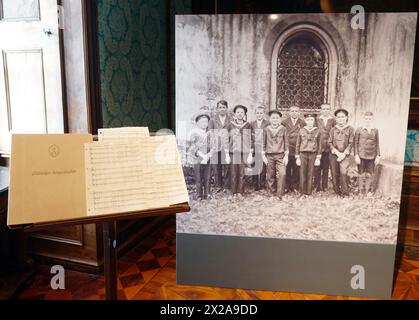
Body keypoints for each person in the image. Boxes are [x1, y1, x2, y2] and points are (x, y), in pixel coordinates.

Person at [224, 105, 253, 197]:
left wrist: (250, 153)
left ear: (244, 114)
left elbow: (251, 139)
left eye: (242, 112)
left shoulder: (248, 125)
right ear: (235, 114)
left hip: (244, 152)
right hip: (233, 152)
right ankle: (233, 192)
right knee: (233, 172)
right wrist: (226, 154)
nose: (240, 114)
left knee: (241, 173)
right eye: (238, 112)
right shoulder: (230, 125)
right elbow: (226, 139)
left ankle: (240, 192)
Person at [262, 110, 289, 199]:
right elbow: (263, 143)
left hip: (280, 155)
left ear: (280, 119)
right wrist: (263, 155)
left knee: (282, 173)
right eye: (273, 118)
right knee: (270, 174)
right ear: (269, 119)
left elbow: (286, 143)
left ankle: (280, 193)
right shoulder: (266, 129)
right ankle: (271, 192)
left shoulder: (283, 129)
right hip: (269, 155)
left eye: (277, 118)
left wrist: (286, 155)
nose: (275, 120)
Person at [328, 108, 355, 197]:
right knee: (334, 172)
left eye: (343, 117)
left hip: (345, 155)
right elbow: (329, 142)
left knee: (343, 172)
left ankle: (345, 192)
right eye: (338, 117)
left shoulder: (350, 129)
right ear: (336, 118)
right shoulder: (333, 129)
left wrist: (344, 153)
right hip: (334, 154)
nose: (340, 119)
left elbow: (351, 143)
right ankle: (337, 191)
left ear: (346, 118)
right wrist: (336, 152)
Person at [188, 113, 214, 200]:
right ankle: (199, 195)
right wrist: (203, 156)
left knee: (207, 177)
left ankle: (207, 194)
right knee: (199, 178)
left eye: (206, 121)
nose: (204, 123)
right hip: (198, 158)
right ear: (197, 123)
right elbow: (192, 147)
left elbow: (214, 146)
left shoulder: (210, 133)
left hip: (208, 158)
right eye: (202, 121)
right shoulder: (194, 133)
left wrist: (208, 156)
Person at [354, 111, 381, 195]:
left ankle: (368, 191)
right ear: (363, 119)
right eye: (366, 119)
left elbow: (377, 143)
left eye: (369, 119)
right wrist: (356, 155)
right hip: (361, 155)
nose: (368, 120)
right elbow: (355, 143)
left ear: (372, 119)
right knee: (361, 173)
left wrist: (378, 155)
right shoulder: (359, 129)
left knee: (370, 173)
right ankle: (360, 191)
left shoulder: (375, 130)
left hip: (372, 155)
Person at [296, 113, 322, 196]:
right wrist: (297, 156)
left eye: (312, 120)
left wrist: (318, 157)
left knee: (311, 173)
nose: (310, 122)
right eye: (308, 120)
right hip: (303, 154)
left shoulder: (317, 131)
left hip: (313, 154)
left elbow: (320, 144)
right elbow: (298, 144)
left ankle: (309, 192)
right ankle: (302, 191)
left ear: (314, 121)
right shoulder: (301, 130)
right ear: (305, 121)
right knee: (302, 172)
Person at [281, 105, 305, 192]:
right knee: (287, 167)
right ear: (289, 112)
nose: (294, 113)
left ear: (299, 113)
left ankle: (295, 186)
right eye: (292, 111)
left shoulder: (302, 123)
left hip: (297, 149)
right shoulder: (284, 122)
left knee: (296, 168)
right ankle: (287, 186)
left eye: (296, 111)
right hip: (287, 148)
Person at [208, 100, 231, 191]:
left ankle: (226, 186)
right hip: (215, 146)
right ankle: (218, 186)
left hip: (226, 146)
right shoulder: (212, 120)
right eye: (220, 107)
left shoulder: (230, 120)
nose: (222, 109)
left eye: (224, 107)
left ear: (226, 108)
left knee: (226, 166)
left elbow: (232, 133)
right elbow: (210, 133)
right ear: (217, 109)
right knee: (216, 167)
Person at [314, 103, 335, 192]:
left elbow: (335, 133)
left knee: (326, 167)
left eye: (327, 109)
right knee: (317, 167)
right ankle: (316, 186)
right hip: (318, 147)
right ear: (321, 110)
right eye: (324, 109)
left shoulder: (333, 120)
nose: (325, 111)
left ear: (330, 110)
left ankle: (324, 186)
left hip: (328, 147)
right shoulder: (317, 119)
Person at [250, 106, 269, 191]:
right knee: (254, 166)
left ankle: (262, 184)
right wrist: (251, 148)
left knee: (262, 167)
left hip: (263, 148)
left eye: (261, 113)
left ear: (264, 114)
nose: (259, 115)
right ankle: (255, 184)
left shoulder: (267, 124)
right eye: (257, 113)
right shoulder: (252, 124)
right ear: (255, 113)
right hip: (254, 148)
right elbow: (250, 137)